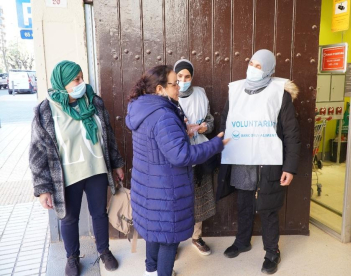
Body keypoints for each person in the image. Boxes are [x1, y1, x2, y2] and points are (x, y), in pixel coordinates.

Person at [125, 65, 229, 276]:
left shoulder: (142, 108)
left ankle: (150, 270)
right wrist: (215, 145)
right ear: (160, 89)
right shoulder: (164, 115)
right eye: (175, 83)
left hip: (148, 186)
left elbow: (160, 144)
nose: (179, 86)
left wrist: (182, 132)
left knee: (154, 232)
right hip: (166, 189)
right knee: (168, 239)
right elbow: (182, 156)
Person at [29, 61, 125, 276]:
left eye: (82, 77)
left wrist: (117, 163)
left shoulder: (94, 102)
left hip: (97, 169)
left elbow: (108, 135)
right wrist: (43, 188)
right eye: (77, 79)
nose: (82, 83)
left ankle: (104, 251)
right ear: (62, 83)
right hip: (67, 176)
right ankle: (72, 257)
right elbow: (37, 153)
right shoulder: (46, 110)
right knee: (69, 218)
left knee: (99, 213)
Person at [219, 49, 301, 274]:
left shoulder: (279, 93)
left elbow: (292, 134)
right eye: (251, 63)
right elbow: (226, 123)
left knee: (268, 208)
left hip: (268, 162)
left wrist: (290, 168)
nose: (252, 69)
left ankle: (272, 252)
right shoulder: (235, 91)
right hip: (243, 160)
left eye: (258, 66)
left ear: (268, 71)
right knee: (244, 203)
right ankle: (242, 241)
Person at [173, 59, 216, 255]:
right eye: (179, 76)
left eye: (187, 76)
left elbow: (210, 119)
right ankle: (172, 241)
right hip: (179, 154)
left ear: (192, 76)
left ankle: (196, 236)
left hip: (199, 150)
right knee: (177, 197)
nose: (183, 80)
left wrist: (204, 127)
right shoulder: (169, 96)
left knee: (199, 196)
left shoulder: (200, 93)